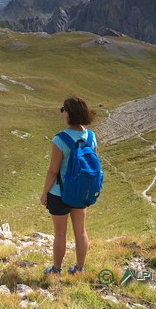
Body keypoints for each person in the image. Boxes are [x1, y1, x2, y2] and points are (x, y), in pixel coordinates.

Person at [40, 96, 98, 275]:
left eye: (63, 109)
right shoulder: (91, 136)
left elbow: (52, 171)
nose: (62, 112)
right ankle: (79, 269)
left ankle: (56, 270)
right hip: (81, 192)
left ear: (69, 113)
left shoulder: (60, 139)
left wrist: (44, 193)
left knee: (60, 234)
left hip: (60, 193)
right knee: (80, 232)